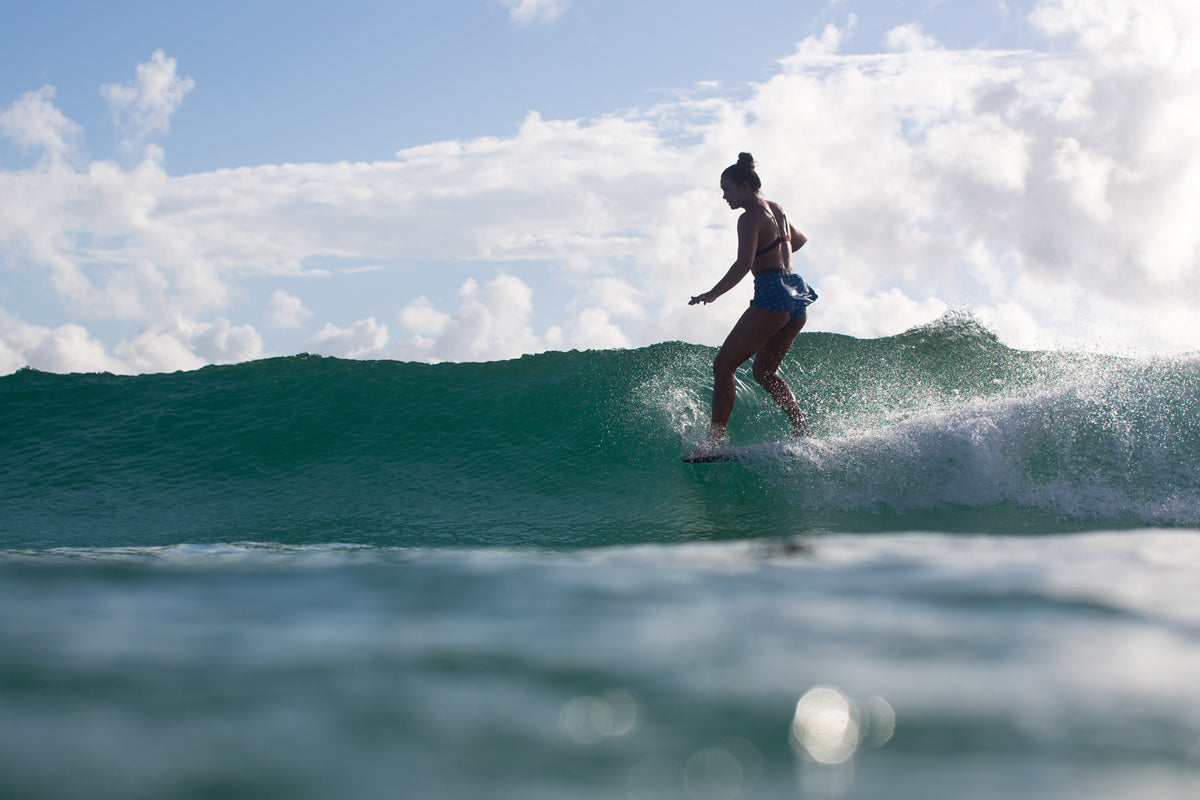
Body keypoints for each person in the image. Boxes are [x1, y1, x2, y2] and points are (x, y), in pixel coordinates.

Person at [688, 152, 817, 452]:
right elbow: (798, 240)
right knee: (763, 372)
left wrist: (713, 293)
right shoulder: (777, 209)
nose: (724, 197)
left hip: (772, 293)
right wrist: (774, 251)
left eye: (727, 190)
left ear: (745, 186)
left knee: (723, 366)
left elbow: (743, 265)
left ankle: (714, 442)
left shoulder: (749, 218)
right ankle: (802, 430)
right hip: (797, 293)